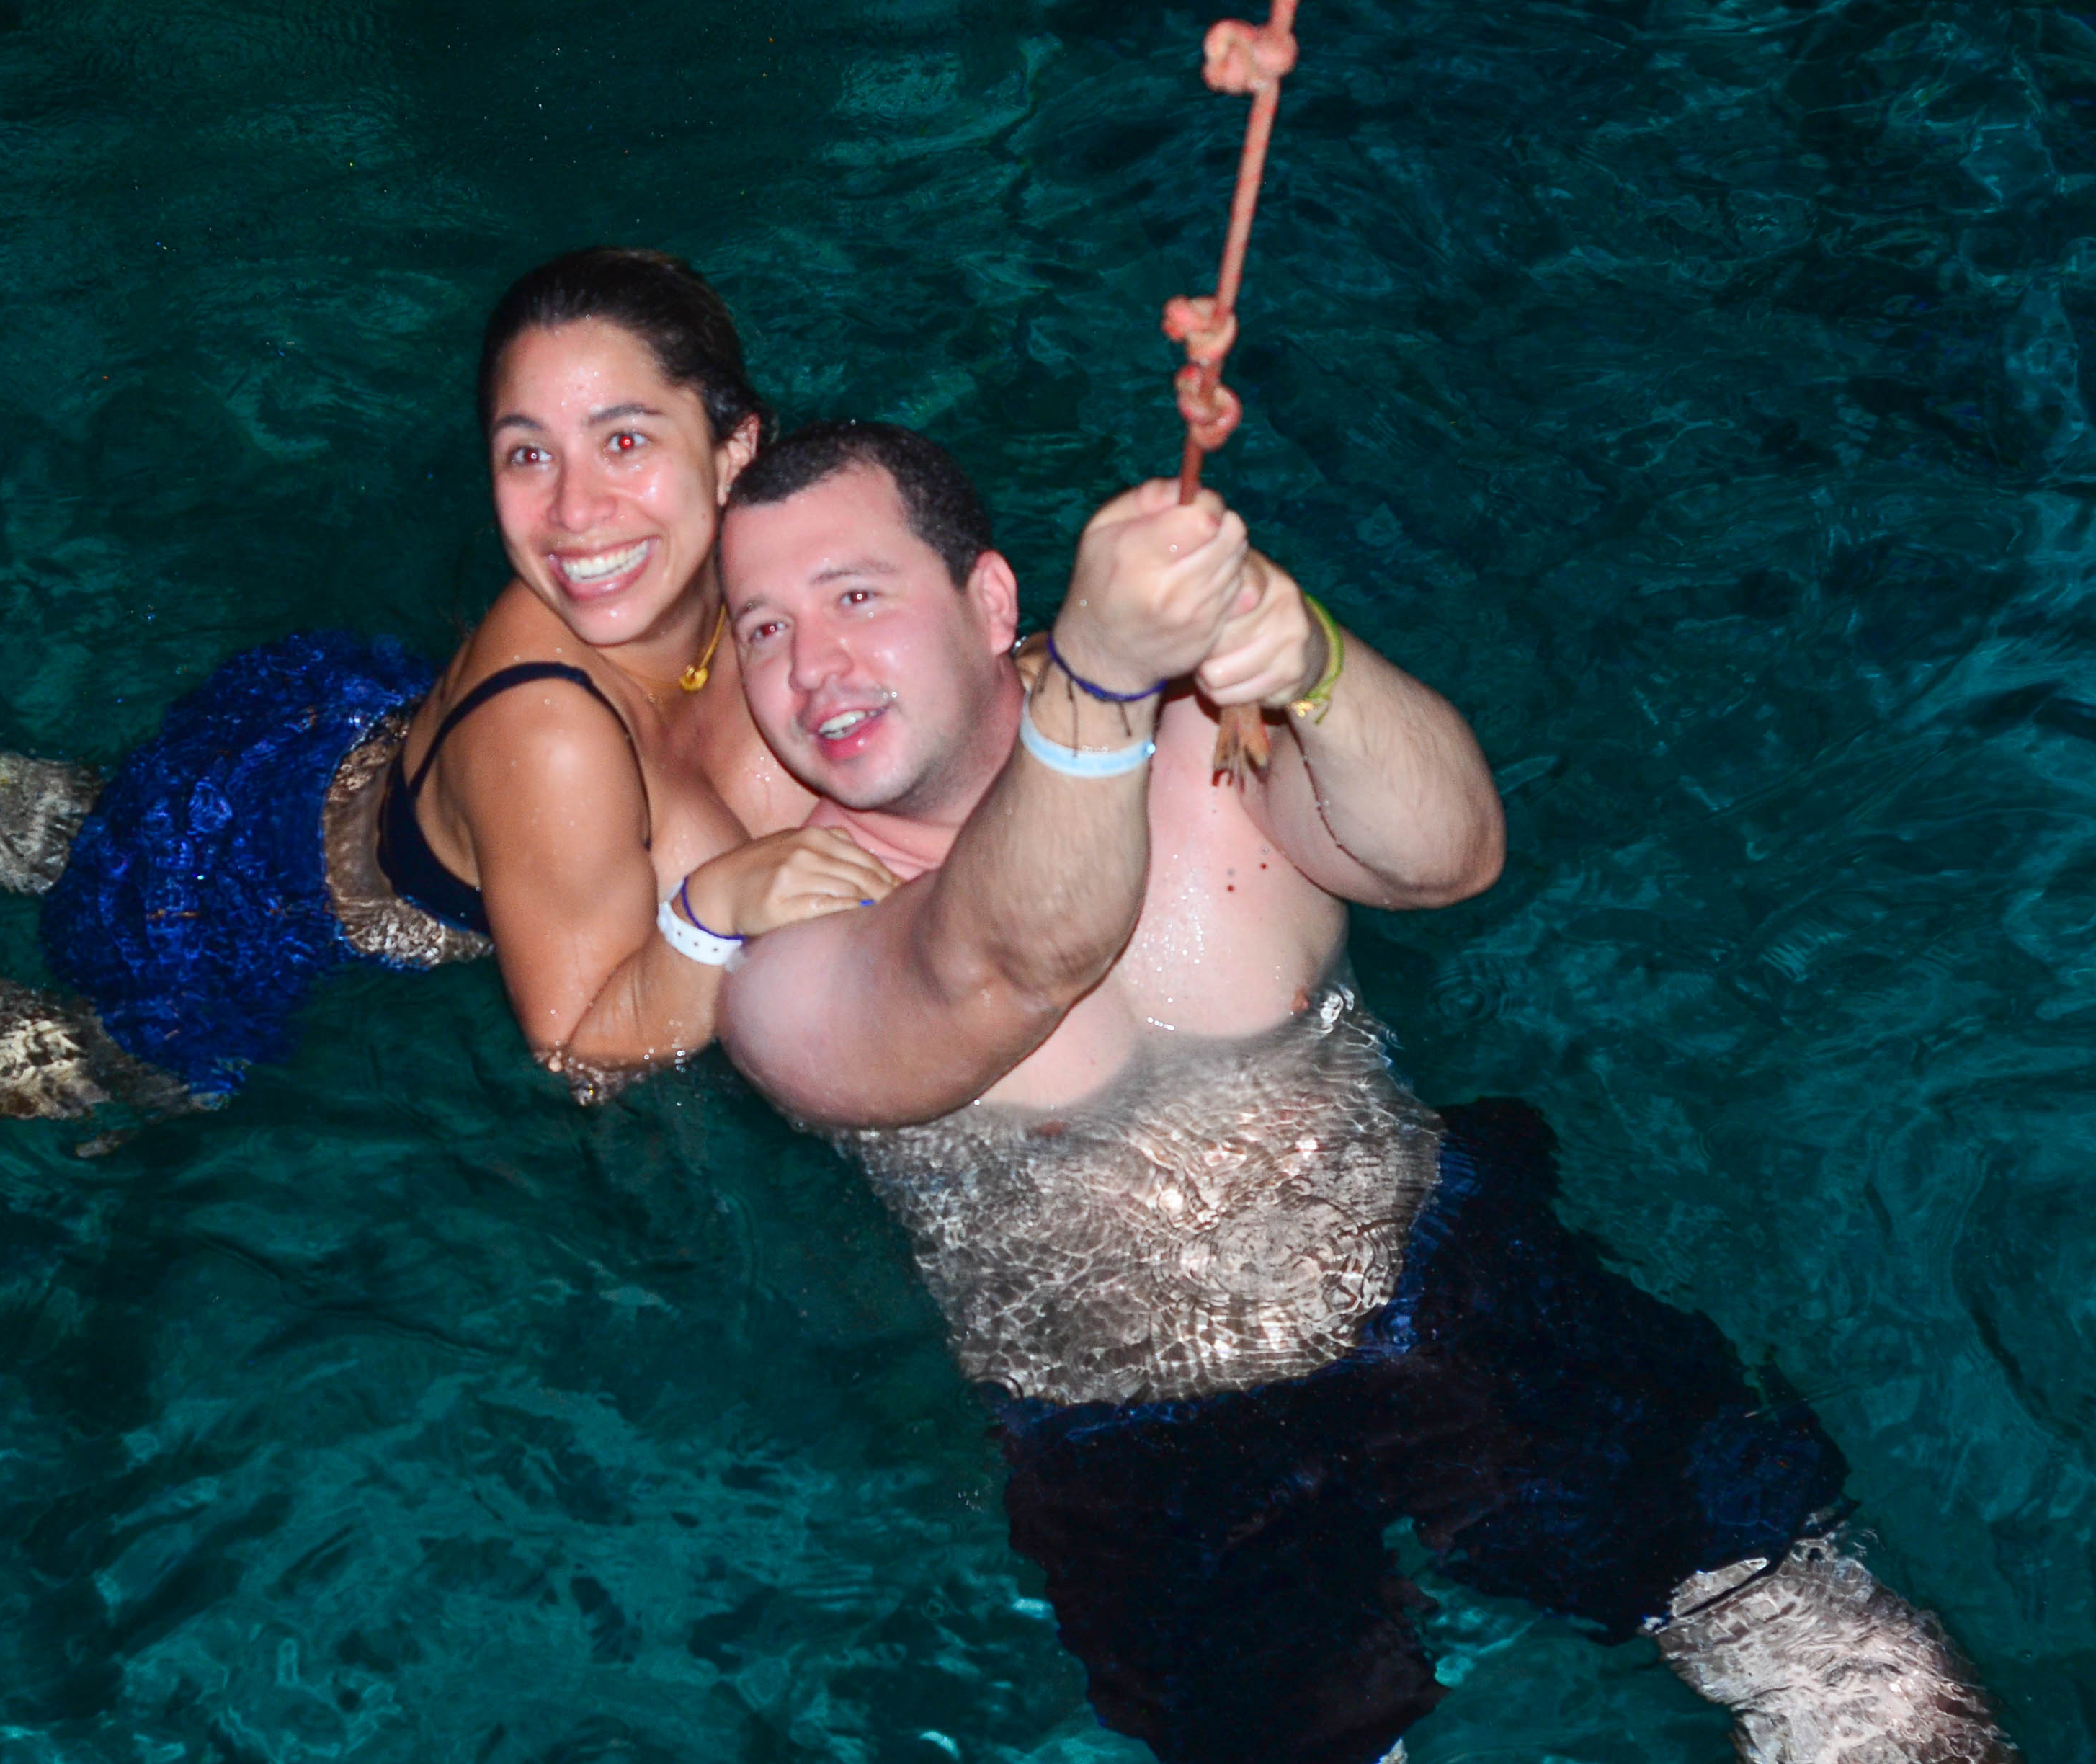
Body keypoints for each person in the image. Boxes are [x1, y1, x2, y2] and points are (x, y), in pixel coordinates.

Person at [707, 421, 2013, 1764]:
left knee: (1860, 1681)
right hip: (1137, 1443)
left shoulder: (1203, 739)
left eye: (854, 596)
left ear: (988, 599)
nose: (812, 668)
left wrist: (1312, 657)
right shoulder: (794, 953)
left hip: (1445, 1288)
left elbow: (1452, 856)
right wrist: (1093, 680)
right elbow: (1008, 961)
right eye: (759, 629)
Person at [0, 250, 895, 1149]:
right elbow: (577, 1051)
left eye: (625, 442)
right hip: (267, 908)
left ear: (736, 448)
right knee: (119, 1065)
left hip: (314, 742)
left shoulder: (763, 575)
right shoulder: (555, 733)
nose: (573, 516)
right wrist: (717, 918)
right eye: (527, 455)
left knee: (114, 836)